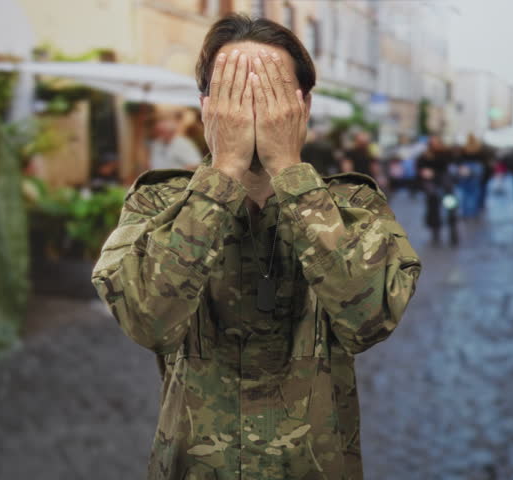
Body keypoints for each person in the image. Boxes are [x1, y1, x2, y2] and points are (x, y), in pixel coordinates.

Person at [91, 14, 421, 480]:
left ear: (303, 104)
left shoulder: (353, 205)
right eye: (233, 91)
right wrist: (222, 171)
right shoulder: (157, 202)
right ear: (206, 105)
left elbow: (367, 320)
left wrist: (289, 169)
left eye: (271, 92)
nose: (251, 108)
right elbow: (148, 320)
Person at [417, 134, 458, 245]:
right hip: (432, 186)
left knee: (450, 208)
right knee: (434, 210)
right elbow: (420, 169)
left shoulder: (447, 154)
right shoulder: (425, 156)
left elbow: (453, 167)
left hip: (446, 185)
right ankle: (436, 235)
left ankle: (453, 232)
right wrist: (424, 173)